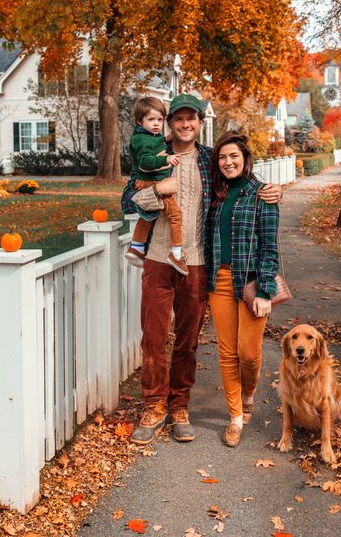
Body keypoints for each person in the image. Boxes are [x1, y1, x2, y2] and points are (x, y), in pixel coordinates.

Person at [122, 93, 282, 446]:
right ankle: (153, 406)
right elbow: (127, 200)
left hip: (197, 264)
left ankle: (179, 407)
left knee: (188, 341)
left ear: (199, 122)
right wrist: (157, 192)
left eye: (191, 118)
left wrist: (273, 191)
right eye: (178, 118)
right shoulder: (153, 154)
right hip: (159, 261)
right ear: (169, 123)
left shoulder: (210, 159)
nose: (185, 124)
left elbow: (241, 182)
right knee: (153, 338)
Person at [207, 132, 279, 448]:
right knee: (226, 352)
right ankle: (235, 418)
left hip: (250, 283)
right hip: (219, 282)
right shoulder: (216, 195)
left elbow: (270, 246)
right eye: (222, 157)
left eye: (233, 156)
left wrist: (265, 290)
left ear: (245, 158)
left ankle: (249, 393)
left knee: (248, 353)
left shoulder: (262, 194)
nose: (228, 162)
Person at [125, 96, 188, 275]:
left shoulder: (148, 136)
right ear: (139, 121)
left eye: (159, 119)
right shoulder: (143, 140)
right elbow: (145, 161)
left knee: (148, 215)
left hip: (150, 182)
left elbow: (154, 145)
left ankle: (136, 247)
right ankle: (176, 253)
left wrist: (166, 140)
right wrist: (166, 158)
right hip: (152, 182)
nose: (156, 124)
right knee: (175, 215)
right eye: (151, 119)